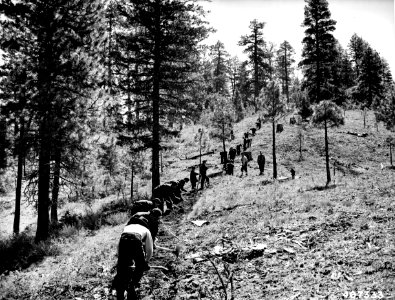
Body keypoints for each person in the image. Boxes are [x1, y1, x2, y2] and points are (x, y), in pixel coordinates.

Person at [112, 217, 153, 300]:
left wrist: (121, 259)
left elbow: (119, 244)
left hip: (124, 240)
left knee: (122, 270)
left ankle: (120, 293)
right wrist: (146, 262)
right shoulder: (146, 230)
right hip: (136, 239)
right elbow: (150, 250)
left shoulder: (127, 227)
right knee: (140, 267)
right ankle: (132, 285)